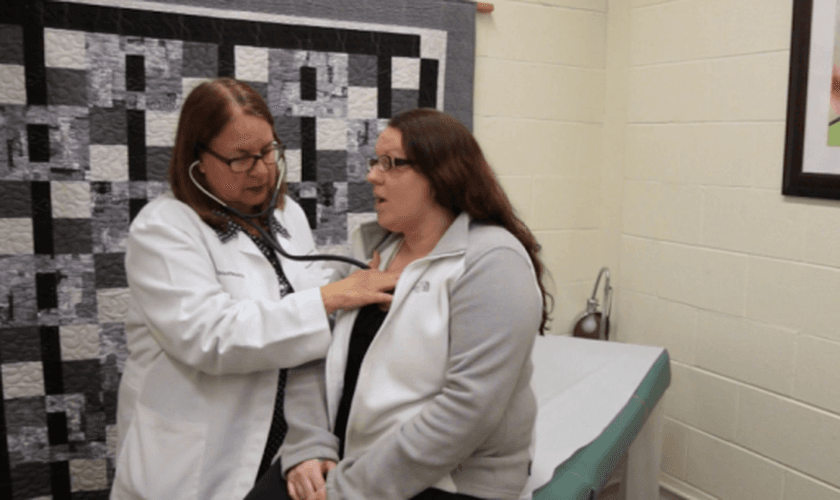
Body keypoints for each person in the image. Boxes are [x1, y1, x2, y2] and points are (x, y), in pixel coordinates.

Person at [110, 78, 398, 500]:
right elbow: (211, 336)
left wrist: (350, 279)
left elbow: (302, 289)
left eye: (267, 151)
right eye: (240, 159)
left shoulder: (286, 213)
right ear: (199, 160)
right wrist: (333, 297)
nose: (262, 170)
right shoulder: (164, 228)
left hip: (276, 442)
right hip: (193, 456)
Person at [273, 108, 553, 500]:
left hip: (447, 480)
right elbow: (311, 347)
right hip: (341, 459)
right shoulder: (370, 248)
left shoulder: (492, 261)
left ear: (440, 177)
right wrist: (307, 445)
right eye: (375, 161)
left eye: (390, 163)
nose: (372, 175)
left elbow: (466, 411)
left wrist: (347, 490)